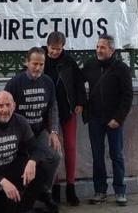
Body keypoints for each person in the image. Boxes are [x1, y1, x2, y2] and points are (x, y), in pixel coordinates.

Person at [0, 91, 54, 213]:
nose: (5, 109)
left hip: (12, 165)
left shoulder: (21, 121)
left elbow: (36, 149)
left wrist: (32, 162)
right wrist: (3, 182)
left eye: (8, 105)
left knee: (41, 169)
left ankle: (24, 208)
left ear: (14, 105)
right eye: (1, 106)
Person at [4, 47, 61, 212]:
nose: (37, 68)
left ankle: (45, 191)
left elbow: (53, 107)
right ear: (26, 62)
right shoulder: (15, 83)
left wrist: (55, 132)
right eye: (34, 63)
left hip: (39, 130)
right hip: (19, 134)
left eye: (41, 64)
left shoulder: (48, 82)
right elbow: (6, 110)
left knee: (55, 157)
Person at [81, 34, 133, 207]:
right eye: (97, 47)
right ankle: (100, 191)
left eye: (102, 47)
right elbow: (77, 83)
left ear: (112, 50)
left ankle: (120, 191)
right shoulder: (89, 65)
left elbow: (127, 96)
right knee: (97, 155)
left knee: (116, 155)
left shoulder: (121, 68)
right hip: (95, 118)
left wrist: (118, 118)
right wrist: (82, 105)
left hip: (114, 120)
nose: (98, 50)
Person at [43, 32, 86, 206]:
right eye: (52, 49)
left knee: (70, 147)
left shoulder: (69, 61)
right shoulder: (40, 59)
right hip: (47, 113)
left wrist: (80, 102)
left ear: (63, 47)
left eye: (58, 49)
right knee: (53, 151)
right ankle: (54, 187)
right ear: (47, 46)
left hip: (68, 110)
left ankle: (71, 186)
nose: (54, 52)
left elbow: (78, 83)